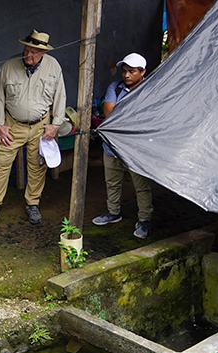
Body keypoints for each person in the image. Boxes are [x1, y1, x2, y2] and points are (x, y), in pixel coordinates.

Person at [0, 30, 67, 225]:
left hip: (41, 126)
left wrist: (55, 124)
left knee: (37, 165)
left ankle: (33, 203)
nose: (28, 55)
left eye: (34, 52)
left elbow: (60, 96)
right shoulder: (9, 66)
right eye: (26, 50)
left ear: (43, 53)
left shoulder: (53, 66)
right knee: (1, 163)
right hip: (12, 125)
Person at [93, 53, 153, 239]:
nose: (126, 75)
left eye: (132, 71)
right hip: (111, 147)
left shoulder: (150, 90)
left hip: (135, 150)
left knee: (141, 186)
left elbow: (147, 118)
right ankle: (113, 212)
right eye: (124, 71)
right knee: (112, 182)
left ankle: (144, 219)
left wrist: (124, 117)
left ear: (143, 72)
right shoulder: (115, 87)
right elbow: (108, 112)